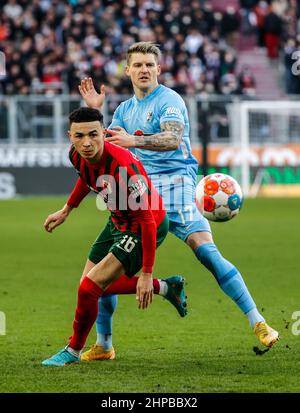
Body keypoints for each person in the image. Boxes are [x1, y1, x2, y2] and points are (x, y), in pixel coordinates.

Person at [78, 41, 279, 361]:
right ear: (127, 70)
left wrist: (135, 140)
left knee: (208, 254)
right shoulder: (123, 110)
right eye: (138, 65)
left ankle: (259, 322)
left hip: (176, 186)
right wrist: (97, 113)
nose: (144, 70)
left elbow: (172, 139)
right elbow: (107, 146)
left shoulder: (170, 100)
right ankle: (104, 344)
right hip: (136, 193)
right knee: (104, 266)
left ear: (159, 69)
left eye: (149, 65)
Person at [42, 107, 187, 366]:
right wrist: (67, 210)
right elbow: (87, 178)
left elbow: (146, 220)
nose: (87, 143)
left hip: (145, 224)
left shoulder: (124, 166)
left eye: (93, 135)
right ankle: (166, 287)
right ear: (70, 136)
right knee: (88, 286)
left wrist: (145, 273)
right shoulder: (76, 155)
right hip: (117, 221)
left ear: (103, 133)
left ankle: (73, 352)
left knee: (90, 287)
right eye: (79, 136)